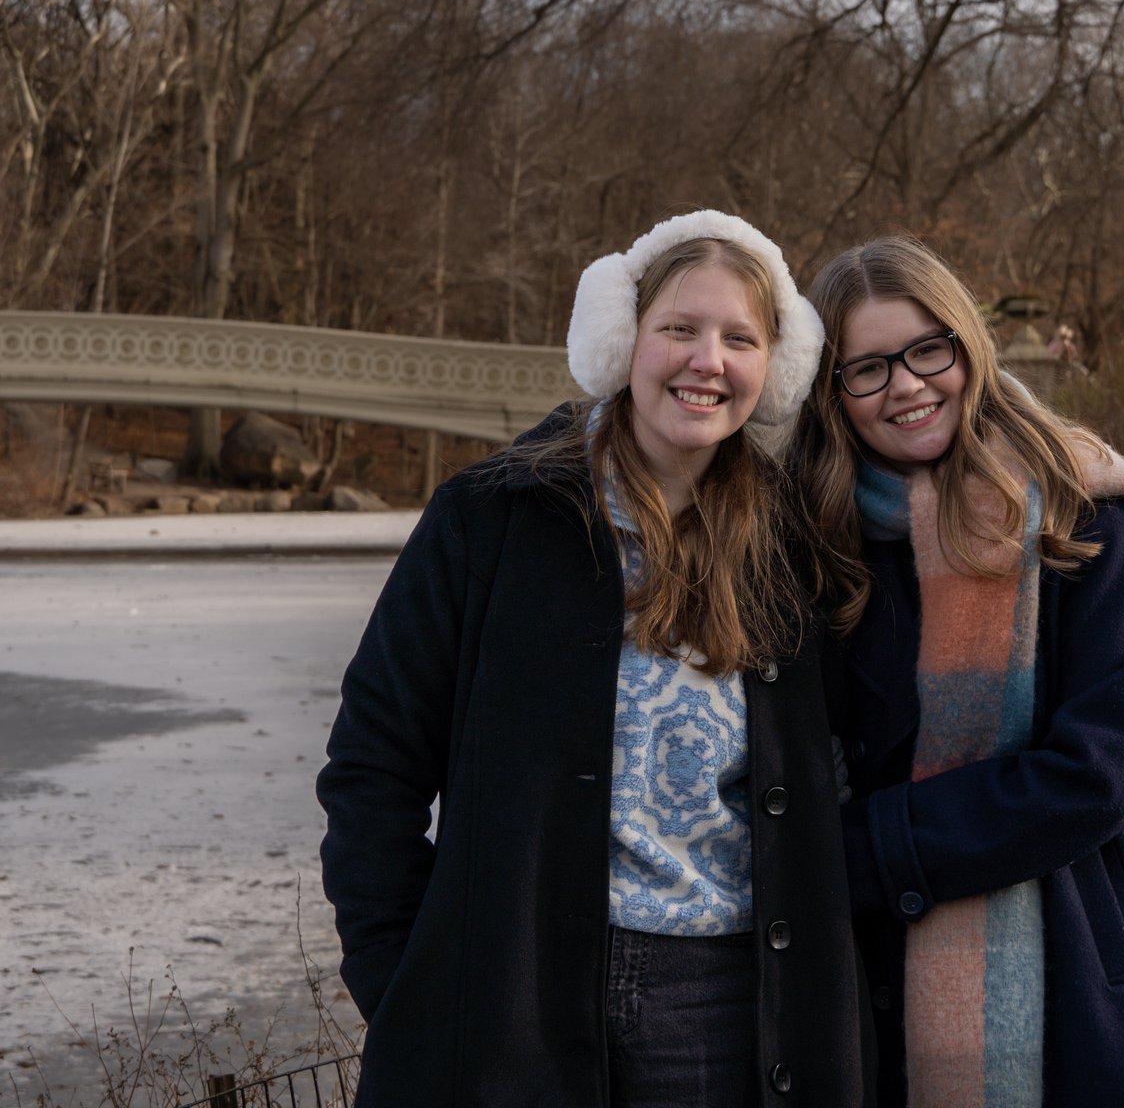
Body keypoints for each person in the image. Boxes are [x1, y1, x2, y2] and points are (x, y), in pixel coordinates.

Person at [317, 211, 872, 1107]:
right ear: (622, 339)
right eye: (679, 329)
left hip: (722, 1007)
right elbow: (372, 764)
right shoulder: (492, 520)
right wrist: (405, 981)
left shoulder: (795, 545)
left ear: (776, 366)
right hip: (513, 997)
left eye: (740, 339)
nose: (708, 361)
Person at [790, 235, 1124, 1108]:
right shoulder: (813, 541)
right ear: (832, 392)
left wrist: (857, 852)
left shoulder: (1085, 515)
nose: (905, 385)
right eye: (866, 369)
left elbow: (1097, 775)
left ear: (968, 348)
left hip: (1080, 975)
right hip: (866, 990)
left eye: (927, 350)